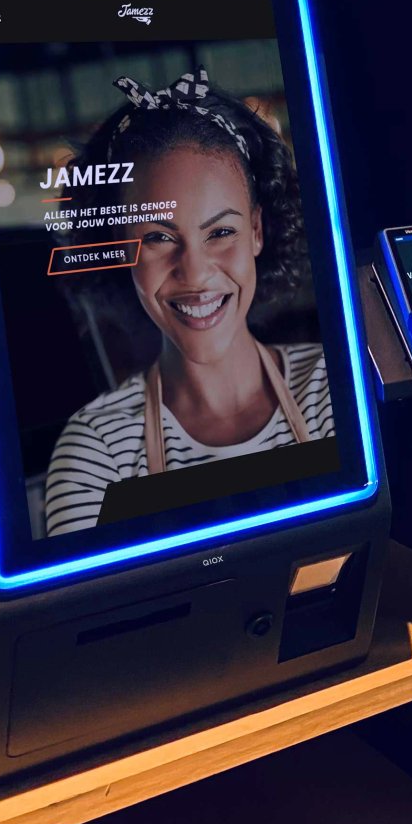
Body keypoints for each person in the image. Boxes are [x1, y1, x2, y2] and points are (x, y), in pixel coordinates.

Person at [43, 68, 333, 536]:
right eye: (158, 237)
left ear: (256, 231)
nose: (195, 273)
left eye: (221, 232)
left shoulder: (336, 390)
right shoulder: (95, 453)